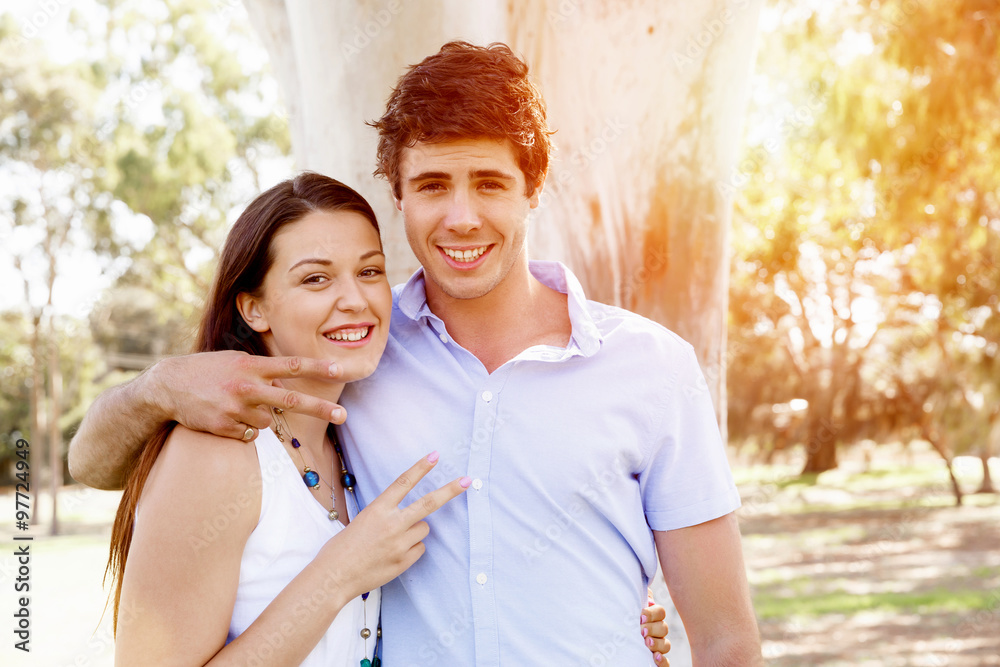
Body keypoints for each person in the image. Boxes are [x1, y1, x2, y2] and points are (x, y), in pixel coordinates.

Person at [71, 41, 754, 664]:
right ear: (397, 194)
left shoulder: (651, 367)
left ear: (532, 191)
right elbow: (93, 463)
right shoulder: (354, 355)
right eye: (431, 185)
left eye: (489, 182)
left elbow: (725, 637)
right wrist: (156, 387)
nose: (461, 216)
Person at [107, 173, 475, 665]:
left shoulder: (347, 440)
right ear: (254, 308)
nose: (355, 300)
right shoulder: (216, 455)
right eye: (315, 279)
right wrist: (340, 572)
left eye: (369, 272)